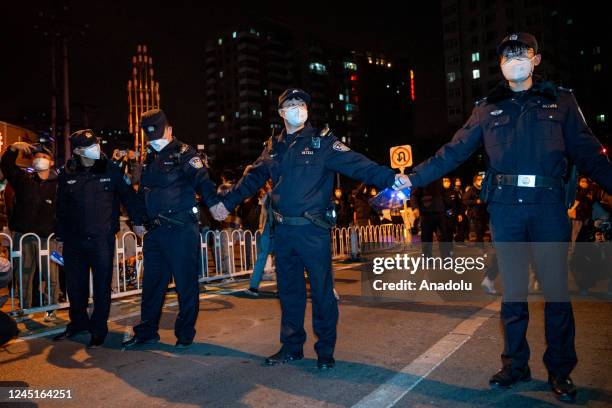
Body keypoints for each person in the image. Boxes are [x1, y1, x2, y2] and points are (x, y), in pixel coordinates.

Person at [397, 33, 612, 401]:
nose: (514, 60)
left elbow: (589, 153)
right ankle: (515, 364)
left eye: (521, 53)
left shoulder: (560, 100)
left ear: (536, 59)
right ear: (499, 65)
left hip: (547, 206)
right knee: (513, 293)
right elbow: (453, 152)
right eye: (506, 56)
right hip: (506, 208)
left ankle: (560, 370)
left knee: (557, 293)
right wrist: (410, 179)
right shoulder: (486, 107)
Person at [210, 88, 402, 369]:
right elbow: (252, 180)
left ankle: (325, 351)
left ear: (308, 111)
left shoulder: (323, 142)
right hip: (284, 232)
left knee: (322, 292)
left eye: (301, 104)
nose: (297, 108)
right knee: (288, 292)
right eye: (291, 104)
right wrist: (226, 204)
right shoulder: (273, 146)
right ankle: (291, 347)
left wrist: (392, 177)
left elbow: (358, 164)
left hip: (313, 231)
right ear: (281, 112)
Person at [122, 109, 221, 350]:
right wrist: (137, 219)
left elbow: (202, 180)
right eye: (149, 136)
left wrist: (216, 203)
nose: (154, 140)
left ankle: (185, 333)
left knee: (186, 284)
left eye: (157, 134)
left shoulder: (184, 153)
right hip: (155, 233)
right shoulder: (147, 157)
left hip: (181, 230)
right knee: (152, 285)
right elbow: (142, 192)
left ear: (169, 129)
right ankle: (147, 331)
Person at [53, 129, 139, 348]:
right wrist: (60, 237)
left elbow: (128, 198)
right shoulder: (68, 173)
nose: (96, 149)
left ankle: (99, 328)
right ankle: (78, 323)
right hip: (74, 241)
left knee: (101, 287)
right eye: (90, 147)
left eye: (96, 144)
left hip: (102, 240)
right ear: (78, 151)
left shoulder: (110, 169)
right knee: (76, 287)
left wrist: (138, 222)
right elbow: (61, 208)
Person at [0, 142, 60, 316]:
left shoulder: (58, 185)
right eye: (37, 156)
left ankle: (51, 308)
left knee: (50, 274)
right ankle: (25, 308)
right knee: (23, 275)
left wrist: (61, 234)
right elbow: (6, 165)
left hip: (47, 238)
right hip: (23, 237)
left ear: (51, 162)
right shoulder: (24, 180)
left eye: (44, 156)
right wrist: (13, 148)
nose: (39, 159)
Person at [410, 179, 452, 258]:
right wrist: (415, 207)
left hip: (440, 211)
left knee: (443, 236)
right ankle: (427, 258)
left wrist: (448, 207)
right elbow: (414, 194)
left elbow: (444, 194)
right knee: (427, 238)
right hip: (426, 212)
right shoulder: (421, 175)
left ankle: (446, 257)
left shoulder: (438, 175)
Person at [463, 173, 488, 243]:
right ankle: (481, 247)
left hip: (484, 213)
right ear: (474, 181)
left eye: (482, 179)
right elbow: (465, 201)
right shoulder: (471, 190)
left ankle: (478, 243)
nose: (480, 181)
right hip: (475, 214)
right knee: (479, 231)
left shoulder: (484, 189)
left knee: (483, 230)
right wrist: (475, 201)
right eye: (479, 179)